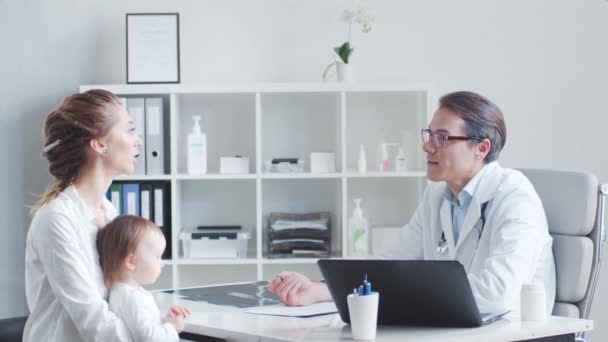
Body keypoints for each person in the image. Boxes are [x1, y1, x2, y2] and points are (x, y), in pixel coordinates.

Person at [269, 91, 556, 315]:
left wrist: (405, 291)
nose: (427, 146)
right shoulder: (436, 196)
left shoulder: (515, 198)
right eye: (429, 135)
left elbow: (498, 295)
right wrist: (318, 290)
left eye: (442, 138)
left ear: (481, 148)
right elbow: (387, 267)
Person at [25, 89, 142, 341]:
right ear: (100, 144)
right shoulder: (56, 219)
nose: (138, 140)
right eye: (130, 129)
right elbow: (92, 320)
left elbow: (122, 296)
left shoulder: (109, 213)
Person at [97, 215, 190, 342]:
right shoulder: (131, 298)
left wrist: (165, 321)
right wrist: (172, 327)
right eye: (157, 257)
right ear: (131, 261)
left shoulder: (123, 292)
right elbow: (150, 338)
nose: (162, 264)